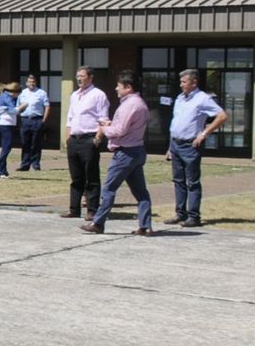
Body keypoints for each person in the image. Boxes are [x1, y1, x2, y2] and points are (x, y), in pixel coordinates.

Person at [81, 71, 153, 235]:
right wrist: (111, 124)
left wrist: (104, 128)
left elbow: (120, 130)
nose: (116, 89)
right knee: (141, 192)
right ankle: (145, 225)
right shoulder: (140, 103)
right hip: (137, 149)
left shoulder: (129, 104)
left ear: (128, 87)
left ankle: (98, 223)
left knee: (109, 189)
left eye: (119, 86)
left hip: (125, 152)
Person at [166, 68, 228, 228]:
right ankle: (180, 213)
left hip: (190, 145)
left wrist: (204, 133)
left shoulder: (202, 99)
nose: (181, 85)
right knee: (178, 180)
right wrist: (169, 147)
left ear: (194, 83)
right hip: (175, 143)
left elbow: (222, 116)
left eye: (184, 82)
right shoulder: (180, 98)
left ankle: (194, 216)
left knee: (192, 182)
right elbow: (175, 123)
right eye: (181, 82)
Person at [63, 65, 109, 220]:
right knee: (76, 177)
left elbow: (103, 119)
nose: (79, 79)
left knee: (91, 176)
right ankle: (74, 209)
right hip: (74, 139)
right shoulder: (75, 95)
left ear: (90, 77)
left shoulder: (98, 95)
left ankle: (92, 209)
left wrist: (97, 138)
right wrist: (68, 137)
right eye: (77, 76)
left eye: (82, 76)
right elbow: (70, 117)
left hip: (89, 138)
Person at [15, 73, 50, 171]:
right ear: (26, 83)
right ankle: (25, 164)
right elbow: (18, 107)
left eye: (33, 82)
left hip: (37, 120)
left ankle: (35, 164)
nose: (32, 83)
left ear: (36, 82)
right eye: (30, 82)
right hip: (25, 120)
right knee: (25, 143)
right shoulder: (22, 93)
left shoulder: (41, 93)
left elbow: (47, 106)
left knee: (36, 143)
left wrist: (44, 120)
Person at [0, 81, 19, 178]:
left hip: (8, 124)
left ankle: (3, 169)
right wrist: (23, 106)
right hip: (5, 124)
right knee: (6, 147)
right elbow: (13, 110)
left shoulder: (7, 96)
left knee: (6, 147)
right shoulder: (6, 97)